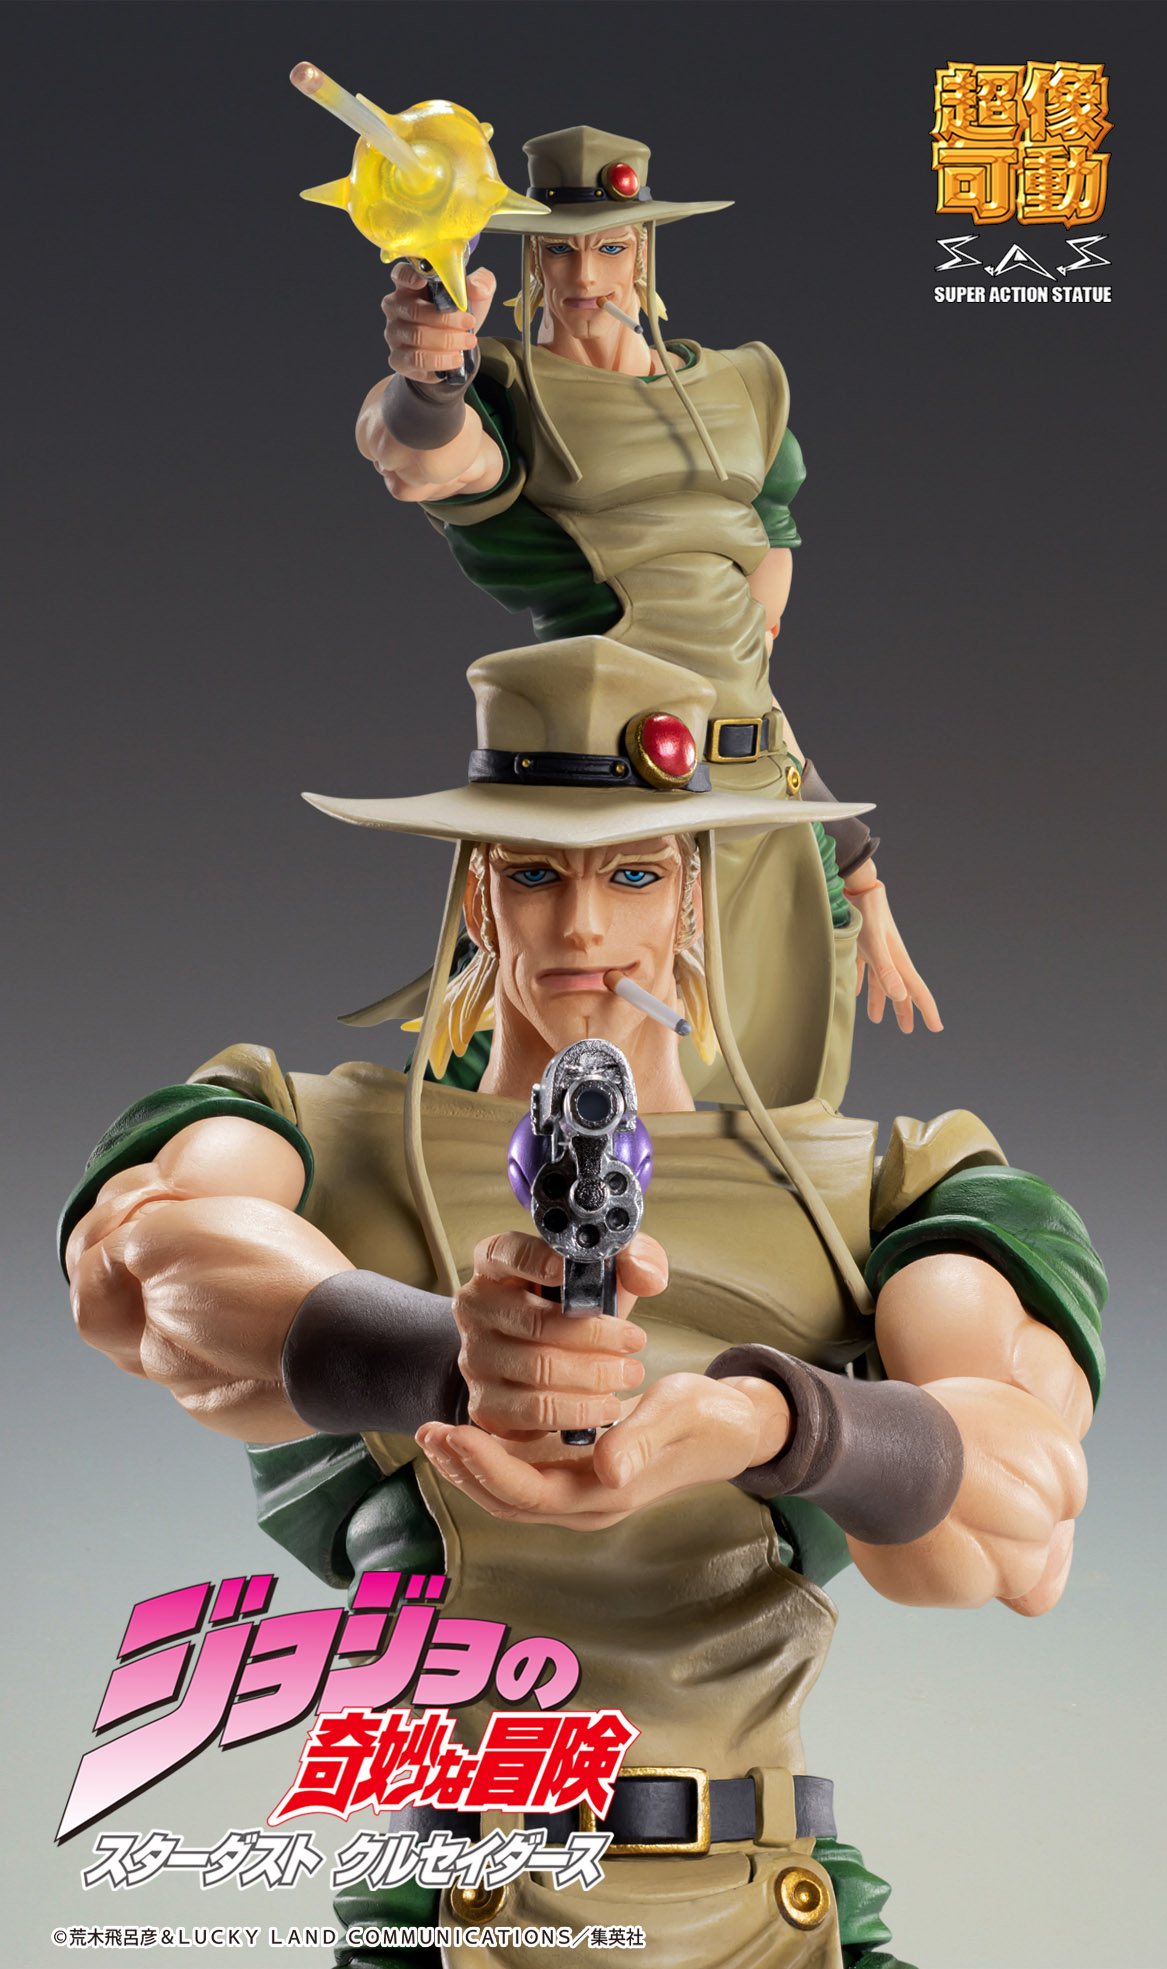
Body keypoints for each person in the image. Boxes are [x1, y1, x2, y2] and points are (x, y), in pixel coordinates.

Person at [63, 638, 1104, 1969]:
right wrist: (448, 1359)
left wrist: (771, 1423)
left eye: (633, 872)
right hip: (456, 1903)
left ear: (695, 891)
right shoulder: (316, 1131)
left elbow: (1015, 1517)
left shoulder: (877, 1181)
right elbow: (137, 1269)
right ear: (476, 889)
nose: (582, 929)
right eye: (535, 873)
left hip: (771, 1902)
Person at [355, 125, 941, 1108]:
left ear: (644, 247)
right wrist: (432, 379)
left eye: (610, 245)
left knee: (776, 1105)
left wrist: (863, 878)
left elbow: (753, 670)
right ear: (532, 258)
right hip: (613, 812)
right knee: (531, 1087)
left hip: (758, 802)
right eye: (559, 248)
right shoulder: (509, 389)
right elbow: (432, 460)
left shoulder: (740, 387)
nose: (584, 273)